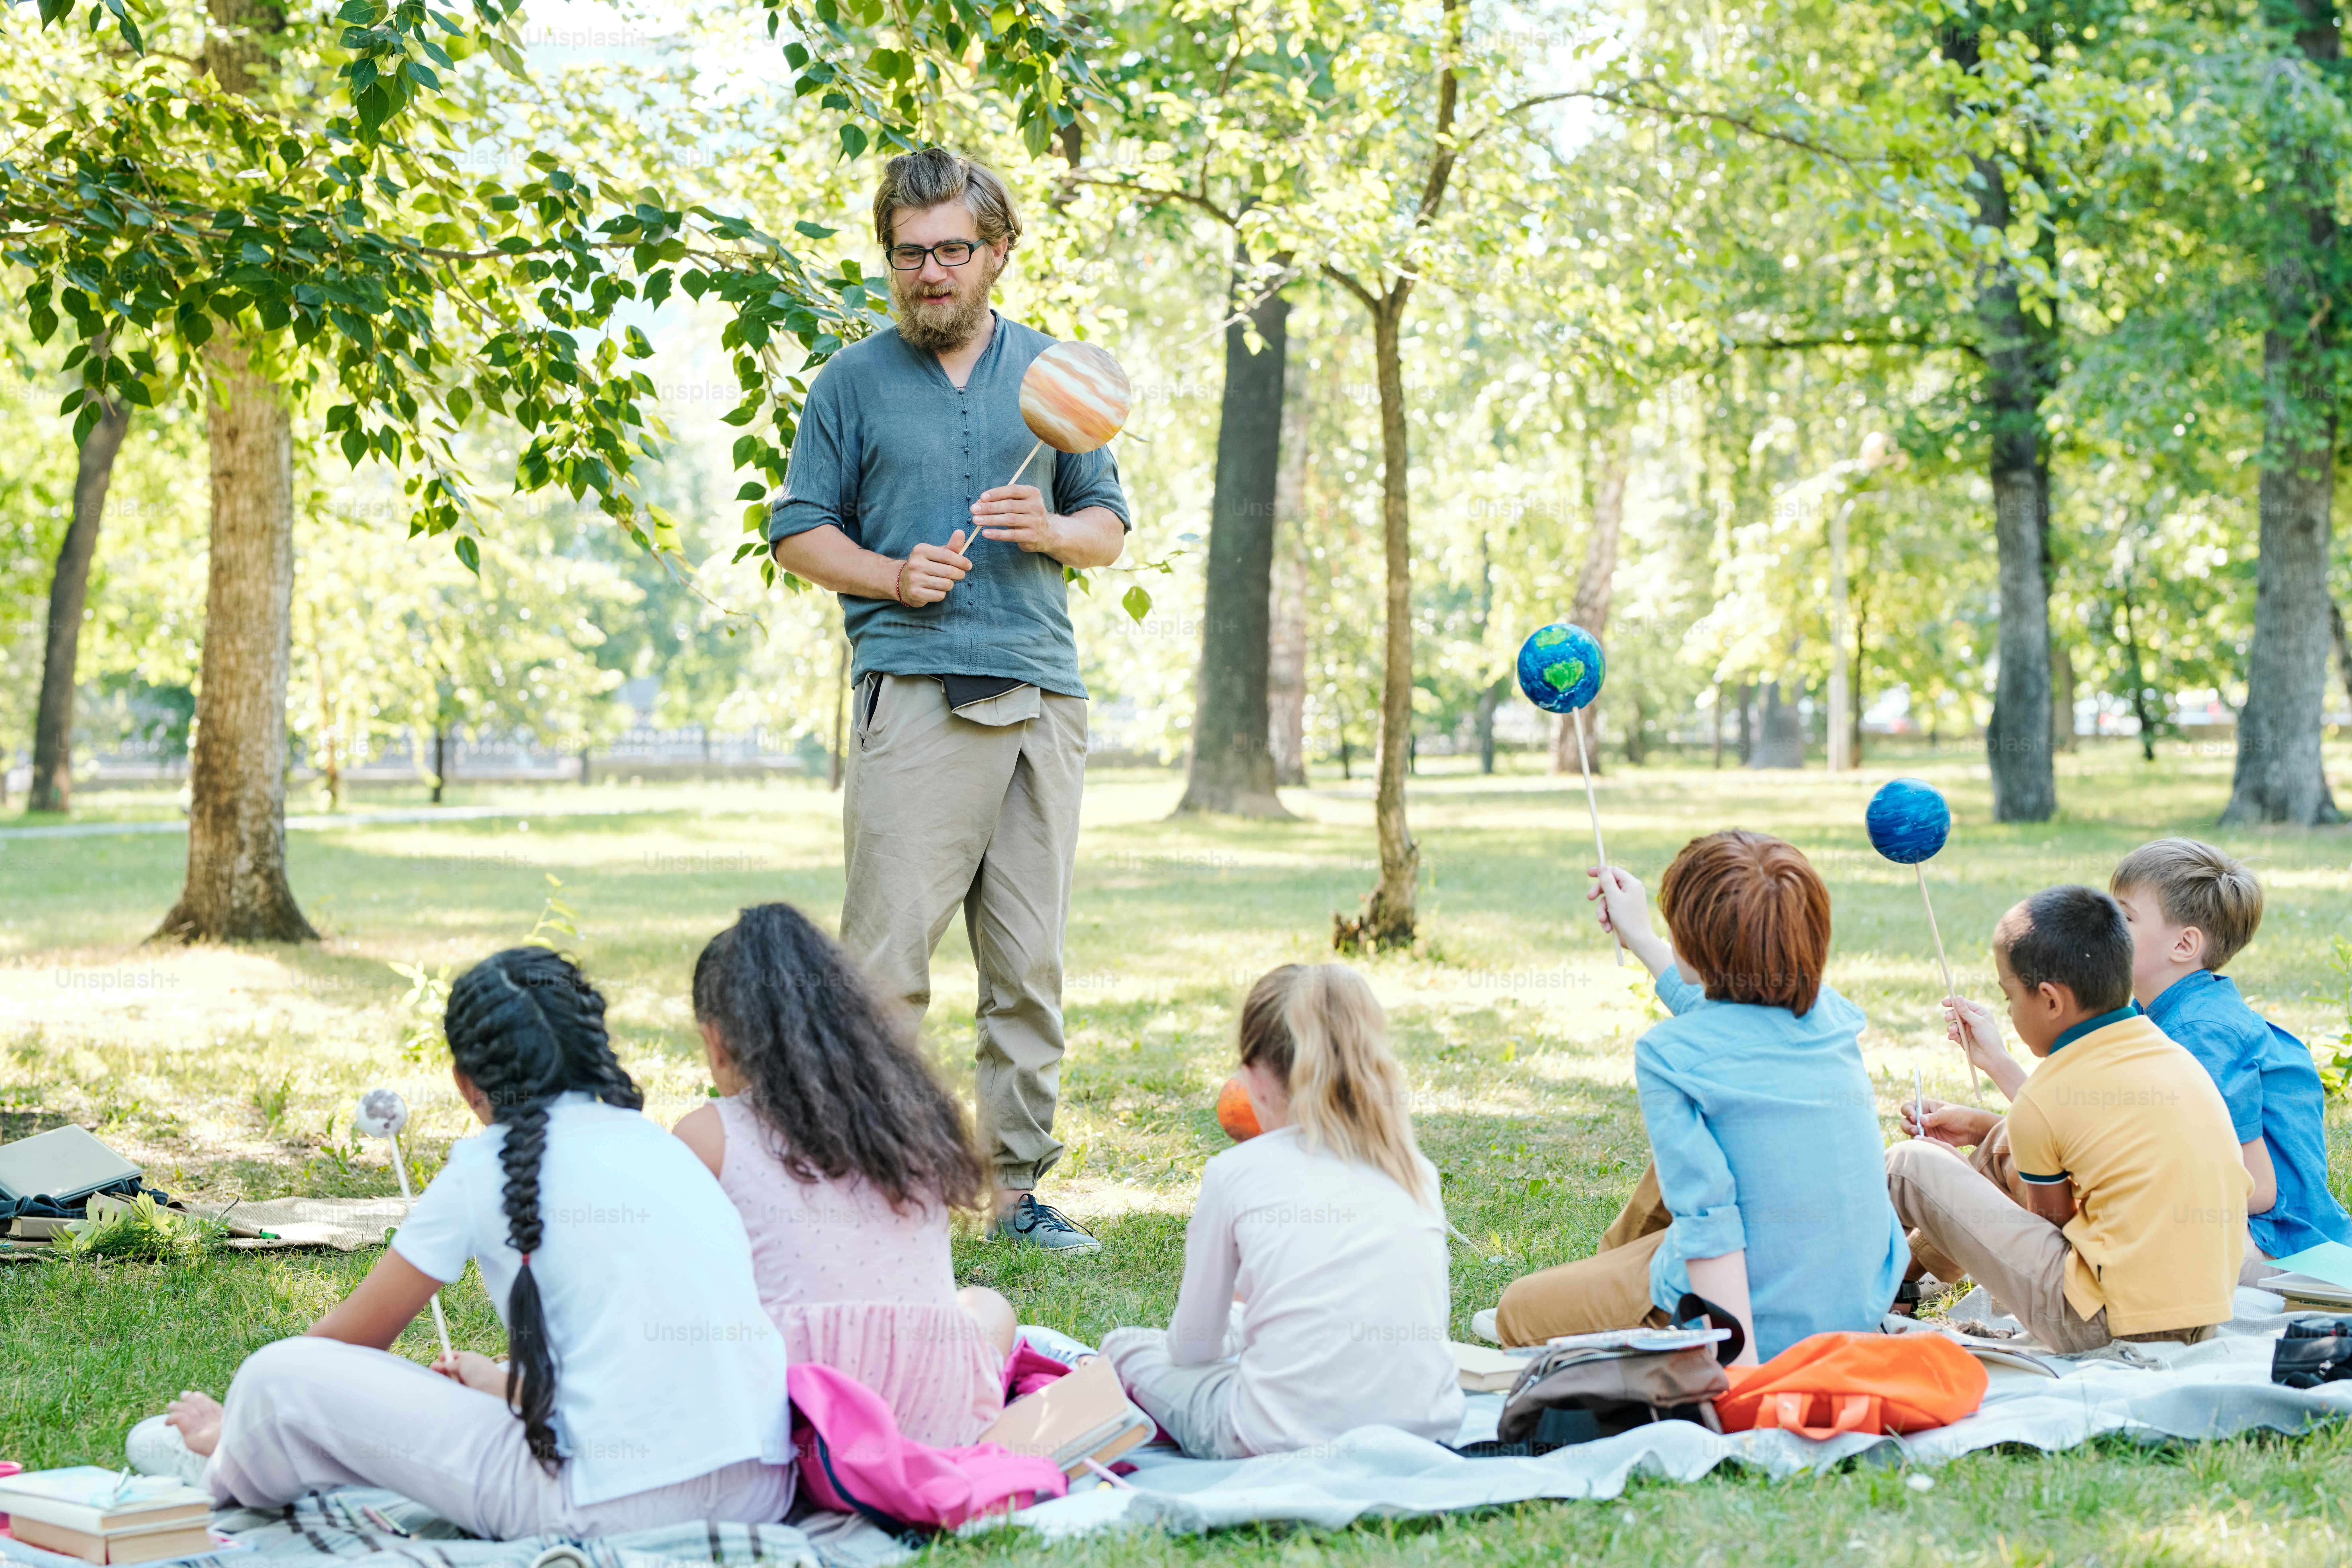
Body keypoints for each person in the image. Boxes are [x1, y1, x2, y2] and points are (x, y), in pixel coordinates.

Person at [765, 145, 1130, 1257]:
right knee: (885, 968)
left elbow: (1108, 529)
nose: (930, 273)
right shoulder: (852, 382)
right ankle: (877, 1188)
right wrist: (890, 573)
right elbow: (795, 531)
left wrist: (1052, 530)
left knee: (1028, 964)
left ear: (998, 251)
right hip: (913, 696)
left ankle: (1017, 1190)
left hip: (1041, 694)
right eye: (908, 253)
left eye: (952, 251)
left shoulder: (1058, 377)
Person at [155, 949, 795, 1539]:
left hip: (602, 1503)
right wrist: (504, 1386)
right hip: (763, 1487)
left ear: (465, 1083)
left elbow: (341, 1348)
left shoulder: (480, 1167)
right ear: (593, 1049)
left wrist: (243, 1418)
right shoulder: (670, 1147)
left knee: (276, 1376)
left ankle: (231, 1451)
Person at [1487, 831, 1906, 1364]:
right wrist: (1638, 935)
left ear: (1693, 942)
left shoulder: (1671, 1058)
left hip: (1750, 1313)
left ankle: (1615, 1316)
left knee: (1517, 1311)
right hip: (1858, 1302)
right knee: (1696, 1159)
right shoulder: (1831, 1017)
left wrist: (1742, 1371)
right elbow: (1725, 1009)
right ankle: (1606, 1280)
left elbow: (1711, 1221)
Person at [673, 902, 1017, 1447]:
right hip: (935, 1409)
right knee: (989, 1307)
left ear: (716, 1040)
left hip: (798, 1411)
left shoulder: (710, 1135)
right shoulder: (914, 1115)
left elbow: (679, 1288)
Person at [1099, 964, 1463, 1459]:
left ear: (1252, 1078)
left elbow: (1192, 1348)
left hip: (1272, 1439)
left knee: (1124, 1348)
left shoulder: (1236, 1171)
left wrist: (1238, 1325)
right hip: (1429, 1427)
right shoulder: (1416, 1170)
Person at [1889, 887, 2249, 1352]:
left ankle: (1839, 1300)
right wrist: (1984, 1129)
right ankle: (1901, 1287)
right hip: (2203, 1315)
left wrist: (1948, 1171)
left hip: (2103, 1327)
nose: (2011, 1012)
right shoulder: (2173, 1056)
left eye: (2009, 998)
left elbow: (2051, 1228)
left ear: (2051, 1000)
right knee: (2004, 1142)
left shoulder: (2046, 1096)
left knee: (1909, 1164)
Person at [2111, 838, 2351, 1279]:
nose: (2104, 927)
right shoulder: (2152, 1014)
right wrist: (1994, 1061)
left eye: (2123, 917)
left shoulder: (2202, 1032)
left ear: (2185, 945)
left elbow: (2255, 1190)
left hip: (2276, 1243)